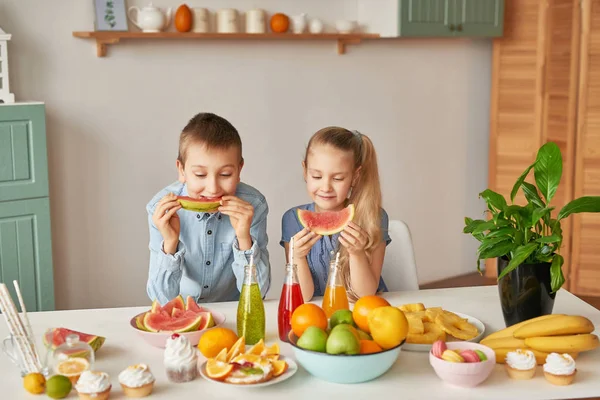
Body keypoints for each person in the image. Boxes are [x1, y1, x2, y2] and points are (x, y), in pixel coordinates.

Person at [146, 112, 271, 304]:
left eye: (225, 174)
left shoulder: (253, 206)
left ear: (239, 170)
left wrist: (244, 238)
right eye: (200, 175)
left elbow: (258, 293)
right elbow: (160, 299)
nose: (213, 188)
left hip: (232, 311)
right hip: (182, 312)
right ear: (181, 170)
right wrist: (170, 243)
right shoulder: (160, 209)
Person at [280, 127, 390, 302]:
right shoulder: (293, 219)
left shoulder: (373, 217)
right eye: (317, 176)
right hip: (316, 314)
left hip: (362, 310)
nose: (326, 188)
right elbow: (303, 297)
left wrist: (357, 253)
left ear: (355, 176)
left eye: (338, 179)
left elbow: (365, 295)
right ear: (305, 171)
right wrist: (298, 257)